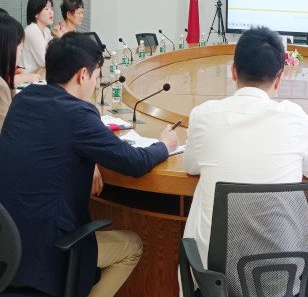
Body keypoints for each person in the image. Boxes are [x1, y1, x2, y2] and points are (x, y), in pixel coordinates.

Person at [0, 32, 180, 297]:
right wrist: (164, 145)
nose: (95, 84)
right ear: (83, 75)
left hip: (6, 249)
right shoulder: (79, 115)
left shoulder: (23, 100)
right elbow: (134, 162)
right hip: (44, 255)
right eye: (96, 77)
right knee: (132, 246)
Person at [182, 27, 308, 291]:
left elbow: (190, 166)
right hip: (281, 279)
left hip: (216, 280)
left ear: (233, 71)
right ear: (279, 77)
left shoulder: (204, 115)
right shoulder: (294, 117)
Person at [0, 15, 24, 130]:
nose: (21, 53)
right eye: (21, 49)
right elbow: (5, 132)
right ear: (9, 48)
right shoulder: (1, 86)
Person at [19, 0, 54, 72]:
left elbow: (55, 52)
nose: (51, 12)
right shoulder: (31, 30)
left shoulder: (46, 31)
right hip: (28, 77)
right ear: (36, 14)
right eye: (47, 9)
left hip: (39, 75)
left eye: (51, 9)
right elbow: (45, 61)